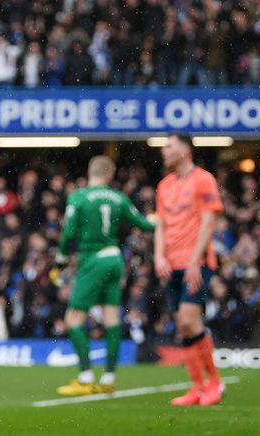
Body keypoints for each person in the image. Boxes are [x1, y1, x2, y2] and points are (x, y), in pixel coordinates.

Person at [56, 156, 156, 396]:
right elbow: (143, 225)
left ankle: (86, 377)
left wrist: (61, 256)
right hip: (114, 259)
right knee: (112, 318)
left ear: (91, 172)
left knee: (73, 320)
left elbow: (68, 232)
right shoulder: (119, 197)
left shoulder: (79, 197)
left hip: (92, 260)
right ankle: (109, 377)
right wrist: (158, 219)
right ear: (109, 174)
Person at [155, 133, 225, 406]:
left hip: (195, 262)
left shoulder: (203, 179)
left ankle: (214, 383)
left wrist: (195, 260)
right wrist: (159, 256)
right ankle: (197, 387)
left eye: (169, 146)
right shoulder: (164, 185)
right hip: (170, 263)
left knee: (188, 320)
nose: (164, 151)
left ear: (185, 150)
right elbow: (160, 224)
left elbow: (209, 222)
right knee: (184, 328)